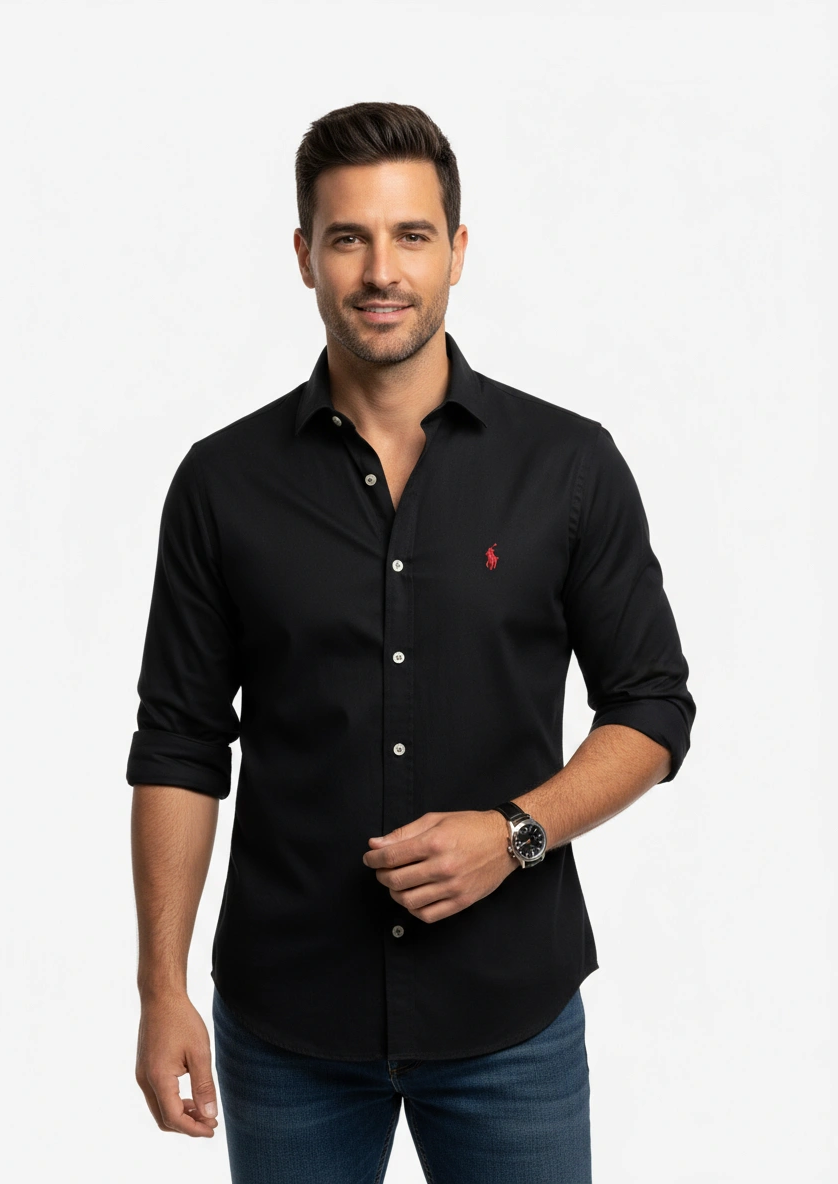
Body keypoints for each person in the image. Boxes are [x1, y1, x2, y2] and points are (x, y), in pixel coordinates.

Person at [128, 101, 696, 1183]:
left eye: (411, 235)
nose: (380, 270)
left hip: (510, 1018)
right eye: (349, 237)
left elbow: (653, 706)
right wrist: (162, 988)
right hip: (287, 1027)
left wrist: (516, 833)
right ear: (305, 254)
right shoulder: (221, 482)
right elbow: (180, 744)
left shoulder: (569, 465)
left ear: (458, 250)